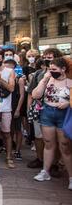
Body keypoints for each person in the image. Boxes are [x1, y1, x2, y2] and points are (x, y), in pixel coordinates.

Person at [32, 57, 72, 190]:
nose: (51, 71)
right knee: (48, 143)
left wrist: (67, 103)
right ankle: (45, 171)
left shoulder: (69, 82)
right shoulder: (48, 79)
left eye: (54, 69)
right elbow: (36, 95)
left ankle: (71, 177)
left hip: (63, 115)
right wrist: (44, 79)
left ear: (63, 69)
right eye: (50, 69)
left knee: (64, 146)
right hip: (47, 113)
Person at [26, 48, 63, 172]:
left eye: (50, 58)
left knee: (55, 140)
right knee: (38, 136)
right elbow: (31, 93)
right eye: (45, 57)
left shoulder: (64, 75)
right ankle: (40, 159)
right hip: (38, 109)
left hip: (57, 111)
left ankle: (55, 164)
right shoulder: (38, 74)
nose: (47, 60)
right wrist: (28, 109)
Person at [0, 48, 16, 169]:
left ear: (3, 59)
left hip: (5, 107)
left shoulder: (10, 71)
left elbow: (11, 89)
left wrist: (0, 79)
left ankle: (9, 157)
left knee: (6, 133)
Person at [4, 59, 26, 161]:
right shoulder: (5, 77)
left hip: (17, 105)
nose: (7, 69)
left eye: (9, 67)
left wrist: (18, 109)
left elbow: (22, 96)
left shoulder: (20, 79)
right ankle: (9, 148)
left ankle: (17, 150)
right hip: (8, 105)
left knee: (18, 129)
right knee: (10, 129)